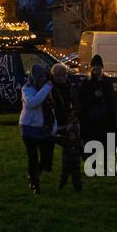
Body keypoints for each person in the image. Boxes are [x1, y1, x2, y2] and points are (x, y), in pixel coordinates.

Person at [19, 64, 55, 195]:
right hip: (29, 129)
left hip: (44, 129)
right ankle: (35, 184)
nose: (43, 80)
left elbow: (51, 110)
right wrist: (47, 88)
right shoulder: (27, 89)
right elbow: (33, 103)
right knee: (32, 158)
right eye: (41, 78)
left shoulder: (45, 90)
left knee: (46, 160)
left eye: (45, 78)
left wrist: (53, 127)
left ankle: (34, 175)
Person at [50, 63, 82, 192]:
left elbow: (75, 100)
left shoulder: (69, 85)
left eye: (63, 75)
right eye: (58, 75)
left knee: (71, 143)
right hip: (58, 118)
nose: (61, 78)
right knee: (67, 144)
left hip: (68, 118)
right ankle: (67, 172)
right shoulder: (51, 88)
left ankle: (71, 176)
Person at [76, 54, 117, 149]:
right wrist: (94, 97)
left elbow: (111, 101)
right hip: (91, 121)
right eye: (94, 66)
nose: (96, 68)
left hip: (105, 121)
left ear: (101, 67)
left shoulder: (107, 82)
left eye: (98, 66)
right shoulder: (87, 83)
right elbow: (82, 101)